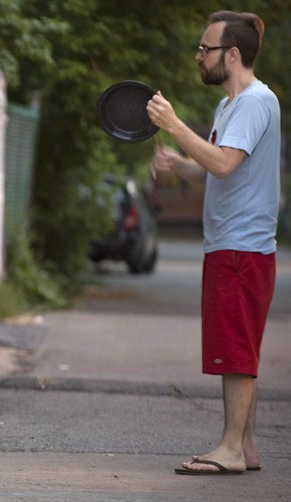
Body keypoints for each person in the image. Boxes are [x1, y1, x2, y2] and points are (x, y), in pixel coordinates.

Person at [147, 11, 280, 475]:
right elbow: (218, 168)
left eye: (206, 49)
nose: (198, 56)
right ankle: (246, 446)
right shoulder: (230, 106)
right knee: (241, 348)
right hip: (234, 245)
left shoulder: (254, 102)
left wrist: (174, 125)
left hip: (240, 248)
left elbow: (223, 164)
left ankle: (230, 449)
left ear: (233, 54)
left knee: (236, 352)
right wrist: (179, 165)